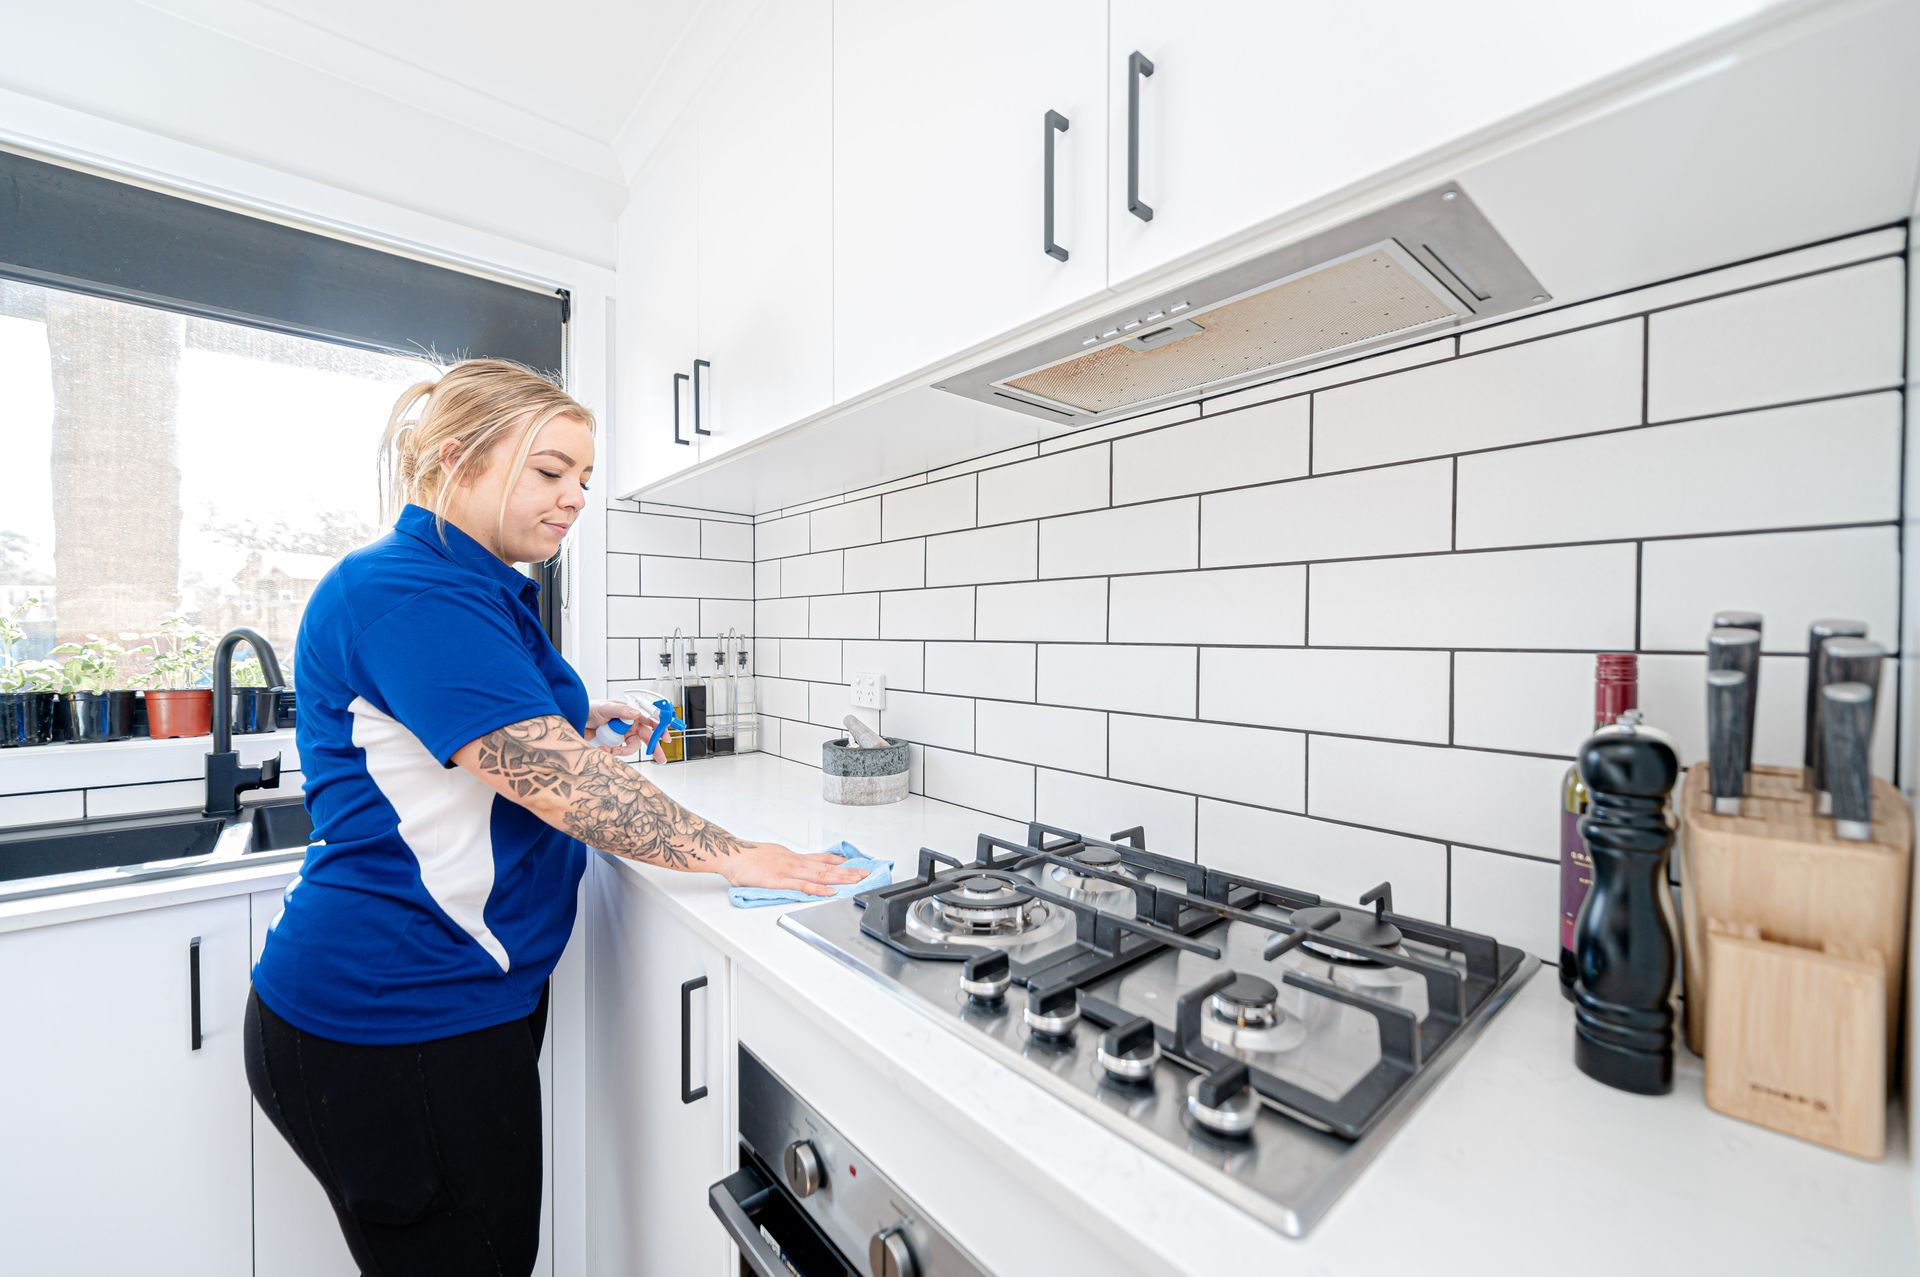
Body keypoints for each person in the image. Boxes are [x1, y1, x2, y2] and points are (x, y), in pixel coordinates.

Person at [243, 358, 862, 1275]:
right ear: (456, 461)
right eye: (549, 470)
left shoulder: (469, 584)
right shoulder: (407, 591)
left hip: (442, 999)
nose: (574, 496)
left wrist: (579, 715)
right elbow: (556, 782)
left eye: (584, 477)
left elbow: (470, 733)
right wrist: (738, 854)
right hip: (396, 1013)